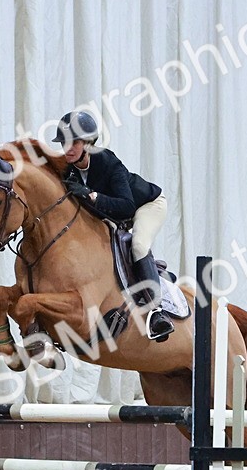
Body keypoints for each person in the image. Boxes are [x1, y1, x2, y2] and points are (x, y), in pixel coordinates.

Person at [53, 110, 173, 342]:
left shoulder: (108, 162)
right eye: (64, 142)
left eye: (74, 142)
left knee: (138, 244)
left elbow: (127, 206)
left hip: (148, 205)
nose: (68, 148)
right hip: (115, 215)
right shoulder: (69, 171)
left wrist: (91, 195)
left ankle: (157, 311)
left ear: (88, 143)